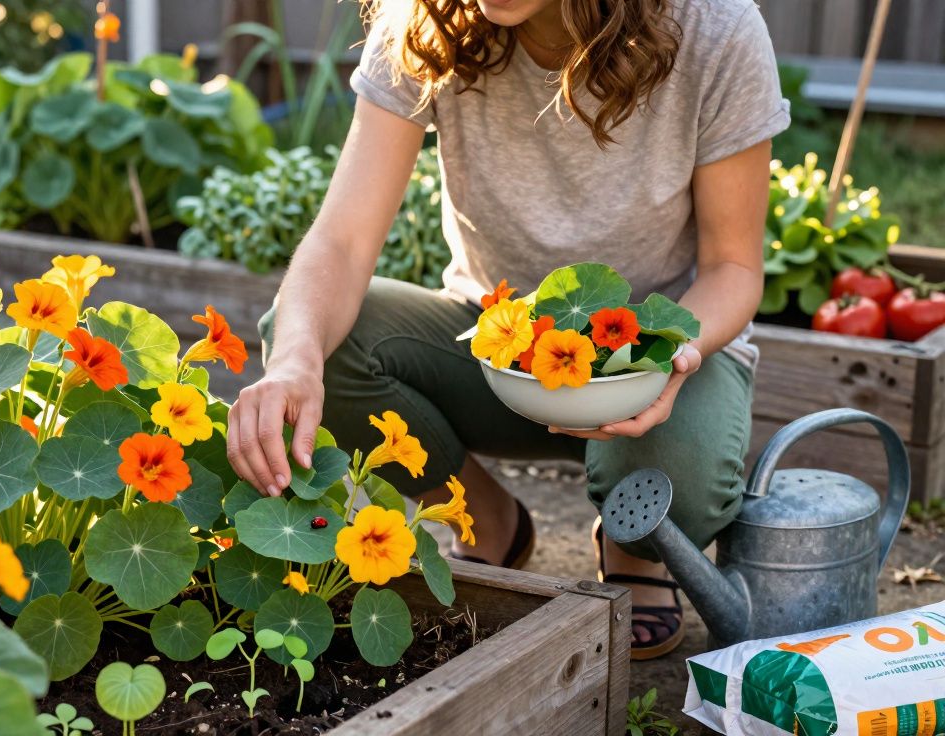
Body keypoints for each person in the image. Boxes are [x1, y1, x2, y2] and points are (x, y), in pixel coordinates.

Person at [225, 0, 788, 660]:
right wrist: (293, 359)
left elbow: (733, 267)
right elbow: (343, 243)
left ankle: (632, 543)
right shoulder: (423, 21)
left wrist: (672, 358)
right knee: (316, 337)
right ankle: (486, 516)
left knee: (680, 493)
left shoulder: (715, 28)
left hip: (654, 365)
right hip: (496, 352)